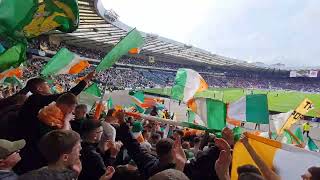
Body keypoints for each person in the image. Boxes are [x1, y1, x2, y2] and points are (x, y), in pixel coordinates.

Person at [15, 72, 94, 174]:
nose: (49, 87)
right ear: (39, 89)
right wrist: (86, 80)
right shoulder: (36, 99)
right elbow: (67, 95)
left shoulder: (36, 104)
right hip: (32, 149)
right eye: (46, 85)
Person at [116, 111, 222, 180]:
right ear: (174, 151)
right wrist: (221, 146)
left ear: (157, 150)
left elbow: (132, 145)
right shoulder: (186, 170)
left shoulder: (147, 163)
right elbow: (205, 161)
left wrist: (121, 121)